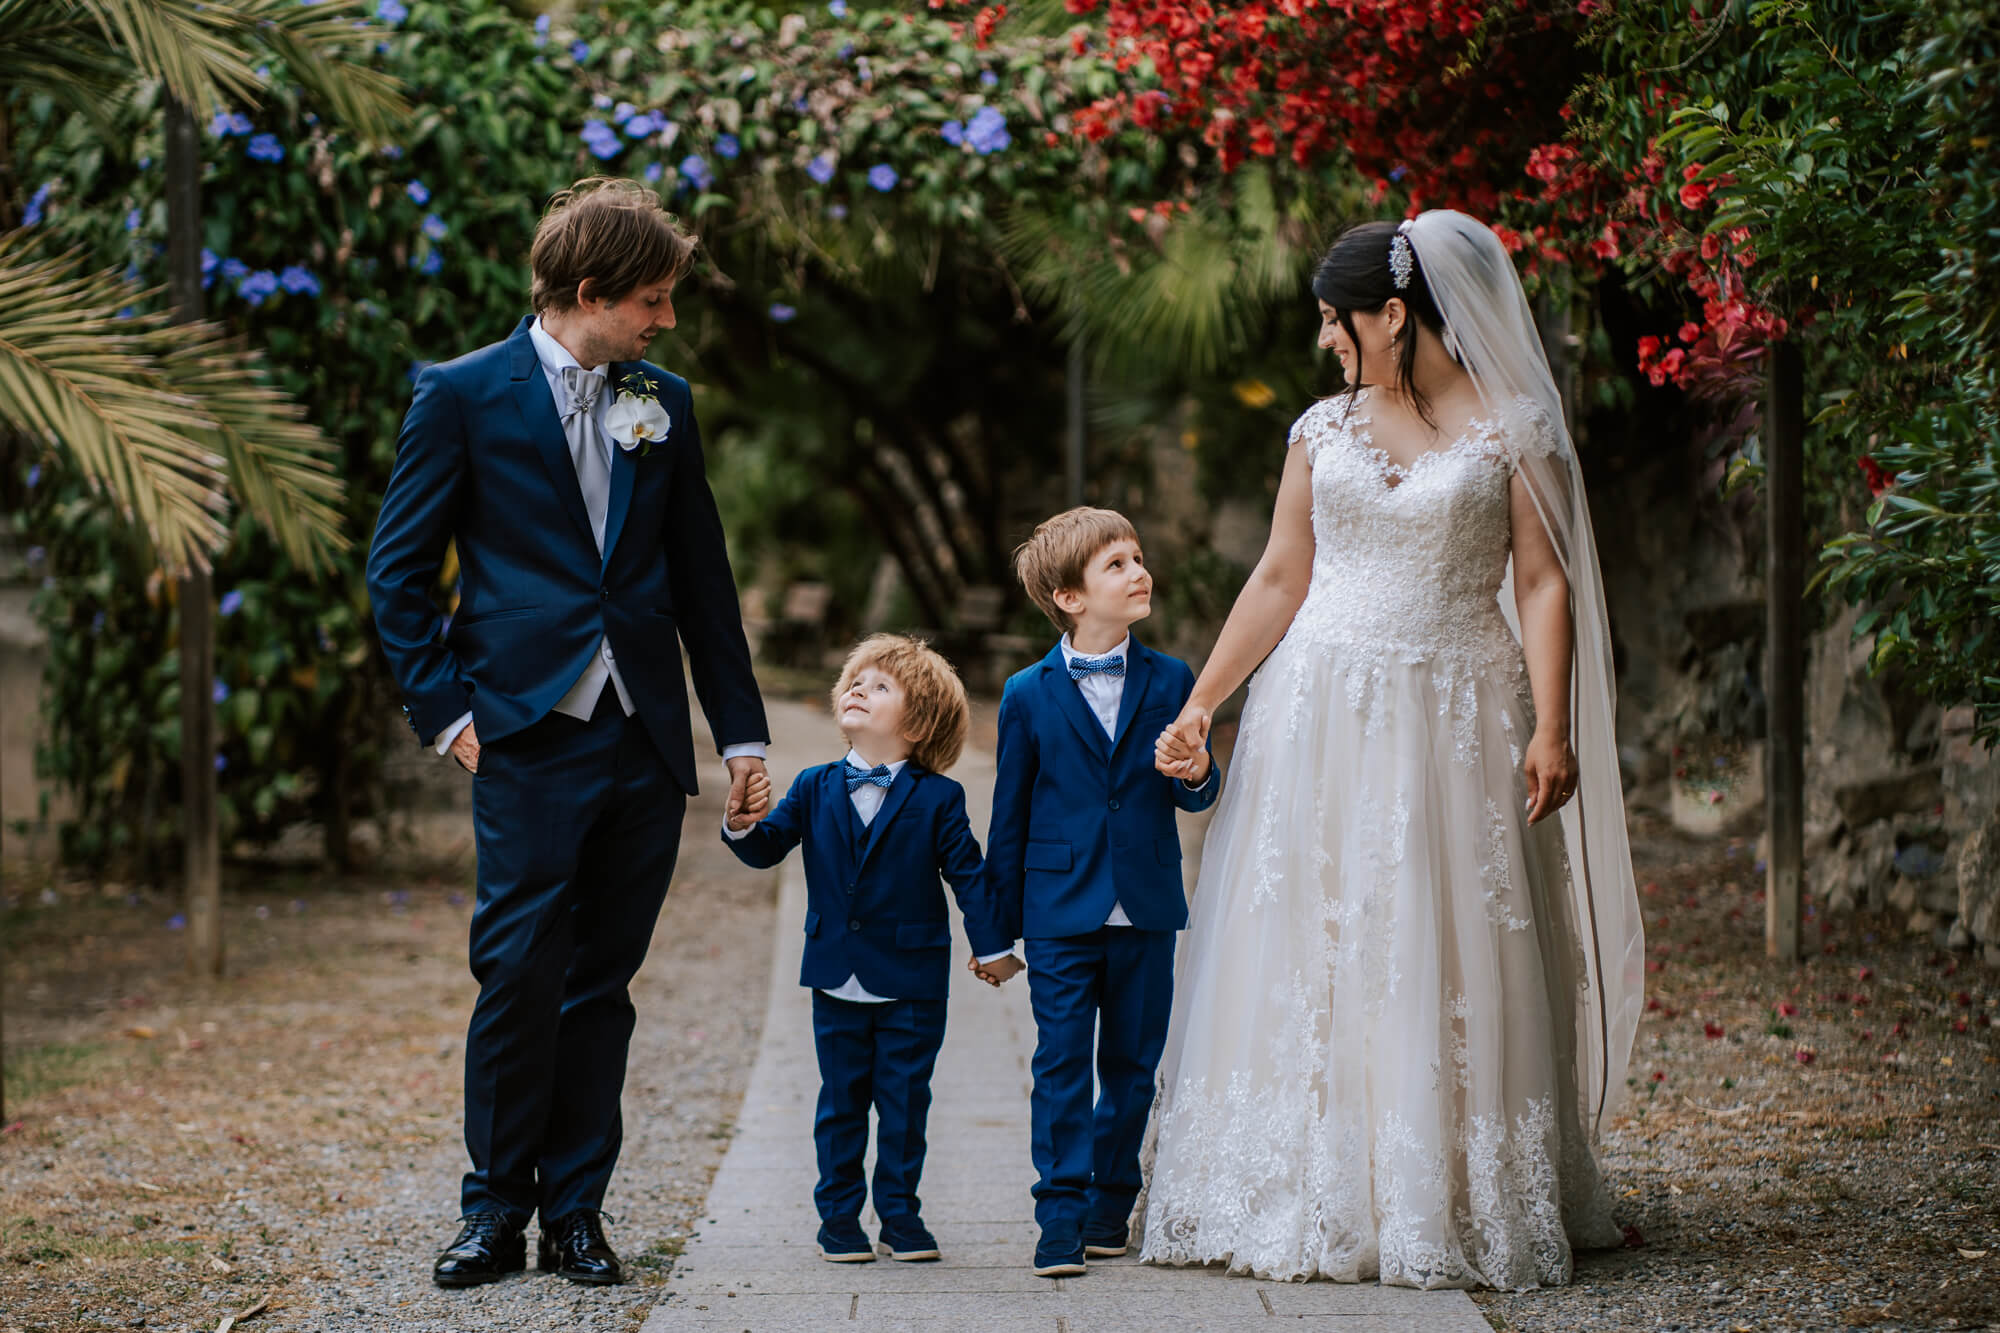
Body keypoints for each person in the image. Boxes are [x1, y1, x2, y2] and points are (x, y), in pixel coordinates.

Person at [1146, 211, 1645, 1289]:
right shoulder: (1319, 430)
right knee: (1313, 939)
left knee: (1437, 936)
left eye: (1336, 320)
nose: (1326, 340)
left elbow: (1542, 579)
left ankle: (1445, 1188)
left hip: (1456, 713)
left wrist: (1552, 725)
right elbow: (1280, 575)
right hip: (1315, 710)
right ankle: (1304, 1181)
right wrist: (1200, 703)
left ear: (1392, 312)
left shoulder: (1512, 427)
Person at [365, 178, 771, 1288]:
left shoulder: (663, 403)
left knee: (604, 980)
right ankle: (491, 1211)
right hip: (521, 733)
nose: (666, 320)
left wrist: (740, 737)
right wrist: (447, 713)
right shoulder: (458, 395)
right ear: (587, 293)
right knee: (515, 975)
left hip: (639, 736)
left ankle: (577, 1215)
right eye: (651, 299)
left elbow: (702, 580)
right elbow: (398, 574)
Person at [980, 507, 1222, 1278]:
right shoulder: (1026, 691)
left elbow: (1193, 792)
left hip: (1146, 903)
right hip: (1057, 909)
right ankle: (1057, 1213)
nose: (1138, 571)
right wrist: (994, 932)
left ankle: (1111, 1200)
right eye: (1116, 564)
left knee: (1131, 1062)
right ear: (1069, 596)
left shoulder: (1174, 678)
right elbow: (1008, 813)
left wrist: (1196, 771)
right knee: (1059, 1061)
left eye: (1139, 557)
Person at [719, 635, 1014, 1266]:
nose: (859, 689)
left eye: (881, 687)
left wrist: (992, 948)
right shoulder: (814, 785)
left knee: (905, 1104)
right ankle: (839, 1218)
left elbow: (970, 876)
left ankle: (901, 1217)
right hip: (834, 975)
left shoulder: (939, 798)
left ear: (919, 721)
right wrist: (740, 825)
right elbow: (768, 846)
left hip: (911, 979)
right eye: (856, 681)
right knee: (841, 1102)